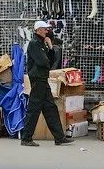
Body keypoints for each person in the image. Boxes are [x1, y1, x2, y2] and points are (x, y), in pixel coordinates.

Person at [20, 20, 70, 148]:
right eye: (44, 29)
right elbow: (43, 62)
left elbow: (52, 60)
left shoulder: (42, 44)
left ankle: (59, 137)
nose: (47, 31)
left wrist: (50, 47)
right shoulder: (34, 44)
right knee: (34, 109)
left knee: (50, 108)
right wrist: (47, 55)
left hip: (43, 79)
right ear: (38, 30)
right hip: (37, 80)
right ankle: (26, 138)